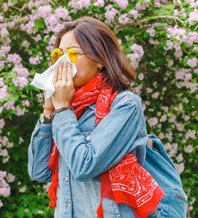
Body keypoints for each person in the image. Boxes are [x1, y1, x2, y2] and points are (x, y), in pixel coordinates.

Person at [27, 16, 188, 218]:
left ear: (100, 60)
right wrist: (49, 113)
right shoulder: (67, 110)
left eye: (73, 53)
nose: (63, 62)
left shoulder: (125, 105)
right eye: (58, 54)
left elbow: (85, 165)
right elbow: (38, 172)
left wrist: (61, 110)